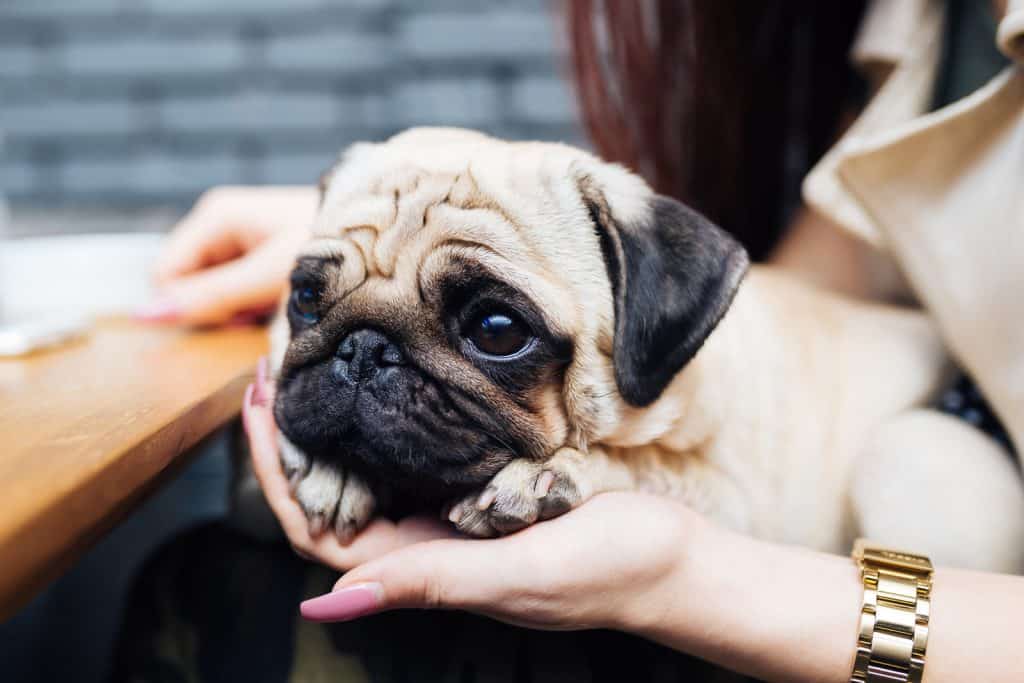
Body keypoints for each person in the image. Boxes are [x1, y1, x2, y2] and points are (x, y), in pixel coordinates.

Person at [143, 1, 1024, 681]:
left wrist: (680, 572)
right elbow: (842, 262)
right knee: (196, 572)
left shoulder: (692, 366)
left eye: (496, 329)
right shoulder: (926, 20)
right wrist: (392, 242)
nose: (371, 361)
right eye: (319, 295)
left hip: (929, 560)